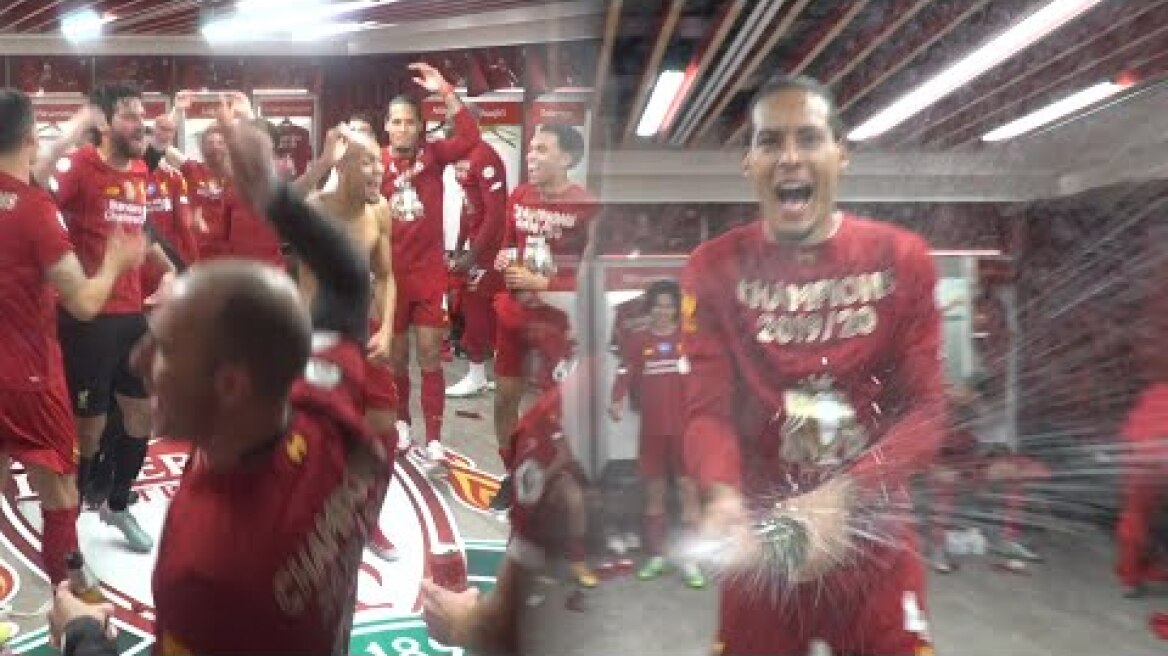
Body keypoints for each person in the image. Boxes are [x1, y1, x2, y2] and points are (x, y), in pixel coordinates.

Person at [49, 95, 393, 655]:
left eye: (165, 348)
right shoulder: (324, 408)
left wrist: (84, 637)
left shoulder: (206, 571)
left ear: (230, 383)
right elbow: (351, 283)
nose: (138, 359)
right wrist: (277, 198)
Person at [679, 75, 945, 655]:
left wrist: (844, 493)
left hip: (874, 544)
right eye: (770, 141)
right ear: (749, 162)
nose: (790, 156)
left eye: (809, 137)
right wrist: (720, 492)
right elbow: (707, 413)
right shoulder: (713, 268)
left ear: (840, 155)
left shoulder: (901, 259)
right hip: (764, 544)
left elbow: (928, 412)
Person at [0, 88, 145, 587]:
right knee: (61, 494)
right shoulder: (38, 210)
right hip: (31, 378)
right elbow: (83, 301)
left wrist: (74, 125)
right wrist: (115, 262)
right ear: (26, 136)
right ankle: (73, 595)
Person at [33, 83, 178, 554]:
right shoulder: (79, 167)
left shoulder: (139, 170)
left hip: (132, 315)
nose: (142, 123)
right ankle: (69, 524)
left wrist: (170, 271)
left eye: (143, 113)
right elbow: (37, 194)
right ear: (106, 124)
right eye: (130, 115)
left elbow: (141, 233)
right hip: (87, 318)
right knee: (88, 430)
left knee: (141, 415)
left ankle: (117, 504)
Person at [300, 125, 401, 561]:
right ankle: (317, 522)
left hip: (369, 336)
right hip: (325, 339)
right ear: (341, 164)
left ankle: (366, 519)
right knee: (323, 439)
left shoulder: (380, 211)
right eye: (366, 161)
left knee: (382, 433)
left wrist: (387, 329)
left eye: (379, 160)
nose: (378, 170)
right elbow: (305, 287)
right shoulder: (314, 211)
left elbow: (386, 276)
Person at [489, 123, 597, 515]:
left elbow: (588, 279)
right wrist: (504, 261)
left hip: (557, 323)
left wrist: (543, 281)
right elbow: (506, 249)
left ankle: (548, 476)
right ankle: (511, 471)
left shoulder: (586, 207)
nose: (531, 156)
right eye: (531, 149)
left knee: (550, 409)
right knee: (504, 399)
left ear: (567, 158)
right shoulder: (519, 196)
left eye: (542, 150)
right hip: (514, 314)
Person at [382, 64, 482, 462]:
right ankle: (402, 424)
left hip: (428, 275)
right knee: (395, 358)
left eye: (409, 122)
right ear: (386, 127)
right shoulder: (374, 161)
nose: (402, 128)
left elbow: (472, 136)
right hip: (389, 277)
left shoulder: (436, 156)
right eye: (395, 122)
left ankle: (436, 437)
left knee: (428, 353)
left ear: (420, 128)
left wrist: (444, 91)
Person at [608, 280, 705, 588]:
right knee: (655, 491)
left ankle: (690, 560)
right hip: (652, 431)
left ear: (677, 308)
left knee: (689, 490)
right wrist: (617, 399)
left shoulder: (689, 339)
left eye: (668, 305)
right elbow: (625, 375)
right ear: (650, 308)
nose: (663, 311)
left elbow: (707, 377)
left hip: (685, 431)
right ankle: (658, 555)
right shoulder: (639, 341)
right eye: (658, 305)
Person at [445, 139, 509, 398]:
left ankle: (477, 375)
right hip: (476, 248)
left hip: (489, 252)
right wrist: (459, 246)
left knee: (478, 309)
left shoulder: (485, 158)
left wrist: (472, 256)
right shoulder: (465, 156)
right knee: (480, 310)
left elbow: (496, 215)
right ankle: (487, 374)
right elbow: (468, 208)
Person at [1116, 382, 1168, 598]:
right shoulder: (1158, 393)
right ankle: (1135, 574)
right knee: (1139, 520)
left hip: (1142, 467)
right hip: (1149, 468)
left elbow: (1130, 433)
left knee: (1137, 520)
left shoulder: (1156, 392)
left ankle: (1132, 576)